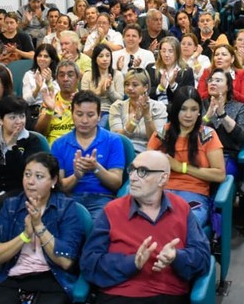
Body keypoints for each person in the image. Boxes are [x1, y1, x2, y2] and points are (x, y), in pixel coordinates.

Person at [80, 150, 211, 304]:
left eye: (142, 172)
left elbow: (202, 259)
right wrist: (131, 263)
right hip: (119, 299)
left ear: (163, 179)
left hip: (170, 301)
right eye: (132, 170)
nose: (133, 177)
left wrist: (177, 257)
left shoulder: (182, 209)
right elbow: (89, 264)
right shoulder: (112, 211)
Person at [0, 152, 85, 304]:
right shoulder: (11, 206)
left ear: (53, 181)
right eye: (27, 174)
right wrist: (25, 236)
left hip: (52, 282)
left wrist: (39, 226)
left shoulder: (66, 208)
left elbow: (66, 262)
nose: (30, 181)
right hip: (10, 280)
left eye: (39, 176)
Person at [148, 86, 226, 226]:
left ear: (199, 112)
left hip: (194, 195)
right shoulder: (161, 134)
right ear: (176, 109)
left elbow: (220, 175)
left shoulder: (208, 135)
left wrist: (181, 167)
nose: (188, 115)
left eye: (194, 109)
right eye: (183, 109)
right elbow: (146, 169)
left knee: (180, 224)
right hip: (161, 192)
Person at [51, 91, 125, 221]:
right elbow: (58, 187)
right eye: (79, 114)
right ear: (72, 114)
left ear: (99, 116)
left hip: (102, 198)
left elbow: (116, 183)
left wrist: (96, 168)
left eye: (90, 115)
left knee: (98, 230)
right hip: (69, 199)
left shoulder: (113, 141)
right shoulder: (59, 144)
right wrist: (76, 176)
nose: (84, 120)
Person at [0, 96, 48, 210]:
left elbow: (28, 175)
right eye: (12, 117)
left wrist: (13, 148)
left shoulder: (32, 141)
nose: (19, 122)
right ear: (0, 119)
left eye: (22, 116)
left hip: (18, 194)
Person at [203, 69, 244, 178]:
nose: (213, 83)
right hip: (202, 154)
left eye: (218, 80)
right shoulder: (200, 105)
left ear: (228, 86)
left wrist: (222, 115)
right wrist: (207, 117)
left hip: (227, 155)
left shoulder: (240, 108)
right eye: (211, 80)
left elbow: (242, 137)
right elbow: (191, 133)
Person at [110, 69, 168, 153]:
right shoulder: (117, 107)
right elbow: (117, 138)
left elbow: (158, 141)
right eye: (127, 84)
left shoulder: (158, 107)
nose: (130, 88)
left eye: (135, 85)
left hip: (148, 152)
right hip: (123, 151)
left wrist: (147, 116)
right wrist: (135, 119)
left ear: (146, 87)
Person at [36, 60, 81, 144]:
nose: (65, 79)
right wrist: (50, 111)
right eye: (61, 75)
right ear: (57, 79)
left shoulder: (85, 100)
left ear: (78, 78)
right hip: (54, 150)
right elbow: (40, 133)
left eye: (70, 75)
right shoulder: (51, 100)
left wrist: (79, 107)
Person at [81, 44, 125, 128]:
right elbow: (83, 98)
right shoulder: (87, 75)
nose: (105, 59)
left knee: (104, 121)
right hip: (90, 110)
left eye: (108, 56)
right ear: (95, 59)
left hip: (110, 111)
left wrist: (109, 90)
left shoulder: (117, 75)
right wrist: (99, 92)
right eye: (101, 56)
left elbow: (120, 99)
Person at [146, 36, 195, 106]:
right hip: (153, 109)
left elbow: (188, 96)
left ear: (177, 53)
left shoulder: (187, 71)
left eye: (170, 51)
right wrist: (160, 88)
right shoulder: (150, 68)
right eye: (163, 51)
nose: (166, 55)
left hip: (177, 111)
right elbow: (144, 91)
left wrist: (173, 85)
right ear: (160, 52)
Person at [22, 43, 60, 126]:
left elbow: (57, 98)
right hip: (33, 112)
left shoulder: (58, 75)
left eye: (46, 56)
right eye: (39, 56)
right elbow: (26, 100)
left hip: (53, 111)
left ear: (52, 59)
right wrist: (37, 89)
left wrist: (49, 82)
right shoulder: (29, 75)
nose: (42, 59)